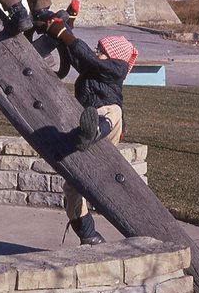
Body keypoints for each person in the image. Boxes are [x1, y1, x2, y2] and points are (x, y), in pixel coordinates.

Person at [46, 18, 138, 245]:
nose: (97, 53)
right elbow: (80, 57)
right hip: (85, 134)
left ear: (113, 56)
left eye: (101, 51)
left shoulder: (116, 69)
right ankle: (88, 234)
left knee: (113, 111)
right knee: (72, 188)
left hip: (109, 129)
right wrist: (64, 28)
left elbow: (87, 58)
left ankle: (95, 128)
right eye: (97, 49)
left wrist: (65, 35)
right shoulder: (93, 69)